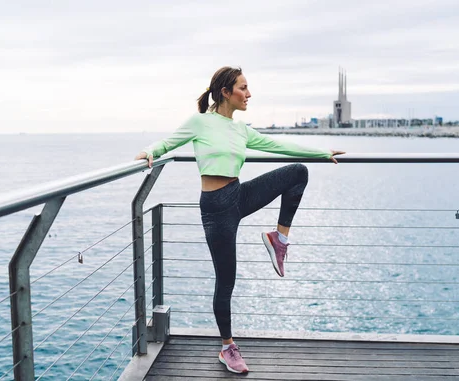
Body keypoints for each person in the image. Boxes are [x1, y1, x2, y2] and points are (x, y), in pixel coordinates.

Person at [135, 66, 345, 374]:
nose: (248, 94)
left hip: (238, 195)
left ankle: (279, 239)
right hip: (216, 208)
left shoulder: (241, 129)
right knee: (226, 280)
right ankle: (227, 347)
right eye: (243, 88)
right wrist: (148, 151)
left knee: (298, 172)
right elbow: (168, 143)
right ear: (225, 92)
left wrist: (321, 153)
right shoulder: (201, 122)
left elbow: (280, 146)